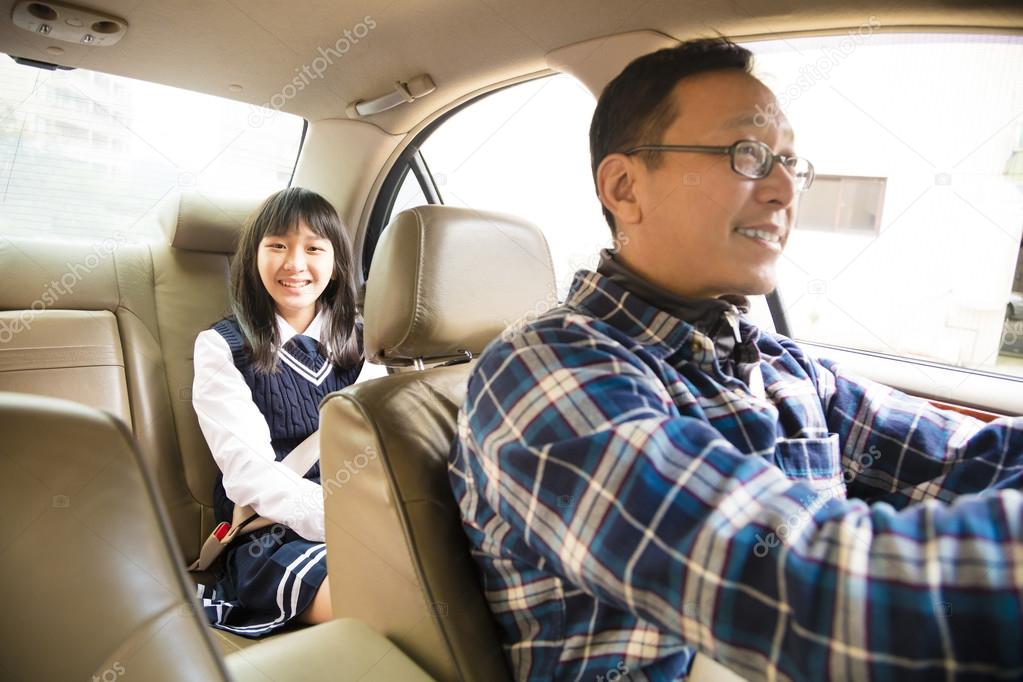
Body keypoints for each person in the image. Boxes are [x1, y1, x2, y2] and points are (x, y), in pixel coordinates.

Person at [448, 38, 1023, 681]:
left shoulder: (782, 368)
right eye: (747, 155)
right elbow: (797, 585)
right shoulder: (541, 373)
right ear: (624, 187)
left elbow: (976, 458)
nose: (783, 191)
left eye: (790, 163)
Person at [192, 187, 363, 637]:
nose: (295, 263)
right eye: (278, 246)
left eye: (313, 248)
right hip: (272, 535)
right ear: (253, 257)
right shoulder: (223, 346)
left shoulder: (371, 342)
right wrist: (343, 521)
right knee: (383, 602)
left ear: (336, 261)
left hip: (369, 518)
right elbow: (249, 471)